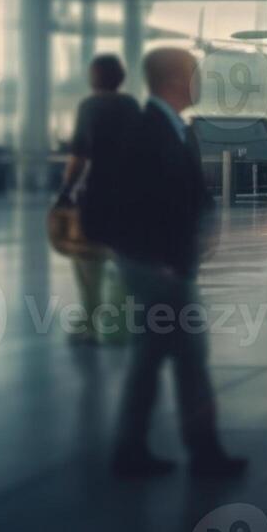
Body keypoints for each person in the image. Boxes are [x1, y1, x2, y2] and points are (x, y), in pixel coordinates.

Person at [106, 48, 245, 479]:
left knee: (152, 359)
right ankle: (203, 454)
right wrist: (159, 259)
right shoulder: (146, 131)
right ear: (175, 79)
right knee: (188, 359)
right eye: (195, 74)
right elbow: (131, 203)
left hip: (168, 264)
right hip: (161, 270)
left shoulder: (173, 128)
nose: (199, 81)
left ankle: (133, 450)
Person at [58, 54, 138, 345]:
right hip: (129, 192)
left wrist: (66, 189)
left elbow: (79, 155)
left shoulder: (90, 106)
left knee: (87, 256)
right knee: (124, 256)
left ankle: (91, 322)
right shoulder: (131, 106)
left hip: (98, 191)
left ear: (95, 77)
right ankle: (120, 321)